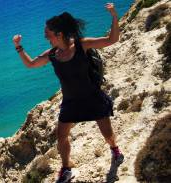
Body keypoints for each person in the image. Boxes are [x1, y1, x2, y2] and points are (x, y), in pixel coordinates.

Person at [12, 3, 124, 183]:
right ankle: (66, 168)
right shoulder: (52, 54)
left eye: (47, 32)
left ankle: (115, 150)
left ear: (59, 34)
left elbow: (112, 40)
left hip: (92, 97)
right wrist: (18, 47)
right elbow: (31, 64)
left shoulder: (82, 45)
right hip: (70, 102)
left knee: (107, 134)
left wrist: (113, 16)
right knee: (61, 136)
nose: (44, 35)